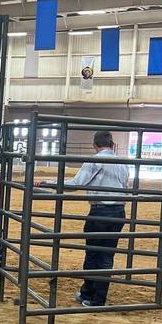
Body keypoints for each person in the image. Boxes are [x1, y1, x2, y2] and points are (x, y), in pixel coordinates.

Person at [38, 130, 129, 308]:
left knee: (93, 254)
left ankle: (94, 297)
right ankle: (90, 293)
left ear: (95, 144)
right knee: (106, 256)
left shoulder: (95, 160)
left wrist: (47, 182)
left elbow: (75, 184)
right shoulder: (123, 163)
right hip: (119, 212)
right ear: (112, 144)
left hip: (100, 212)